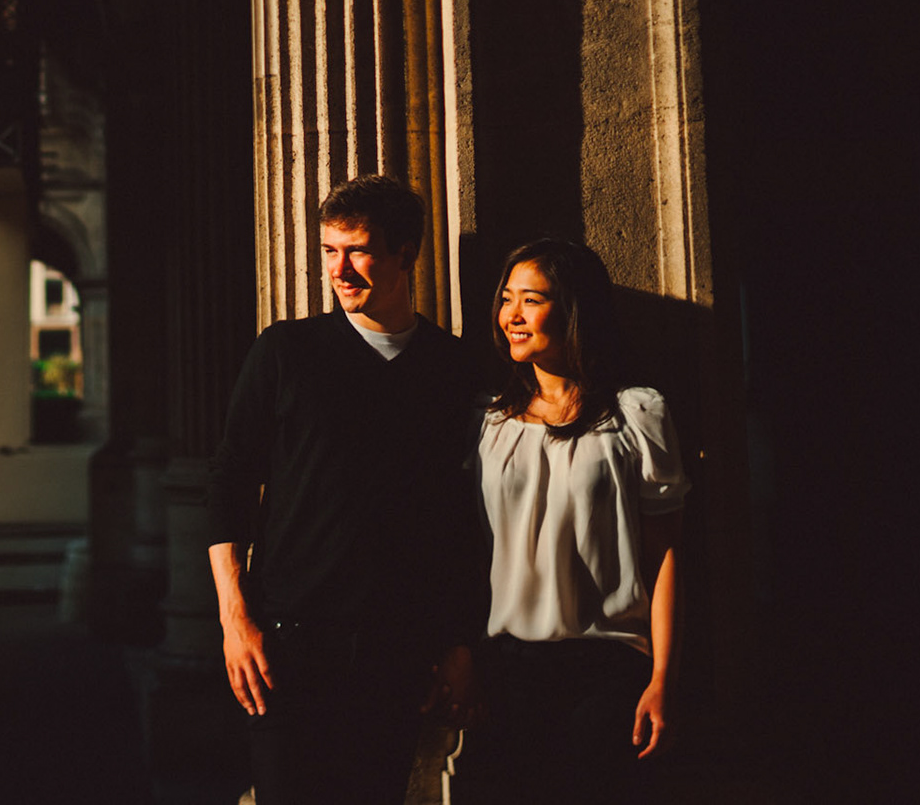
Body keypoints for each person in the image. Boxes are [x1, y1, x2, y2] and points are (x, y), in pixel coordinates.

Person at [207, 175, 488, 805]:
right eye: (330, 251)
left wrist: (457, 641)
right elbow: (229, 482)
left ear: (406, 253)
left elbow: (457, 519)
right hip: (286, 645)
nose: (339, 270)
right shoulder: (286, 351)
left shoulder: (451, 367)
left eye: (357, 251)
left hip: (397, 651)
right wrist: (234, 619)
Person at [460, 238, 688, 804]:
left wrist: (663, 680)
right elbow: (460, 552)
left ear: (573, 309)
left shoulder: (636, 414)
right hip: (506, 672)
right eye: (506, 298)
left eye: (531, 299)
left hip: (606, 671)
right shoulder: (487, 423)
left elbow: (664, 556)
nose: (512, 315)